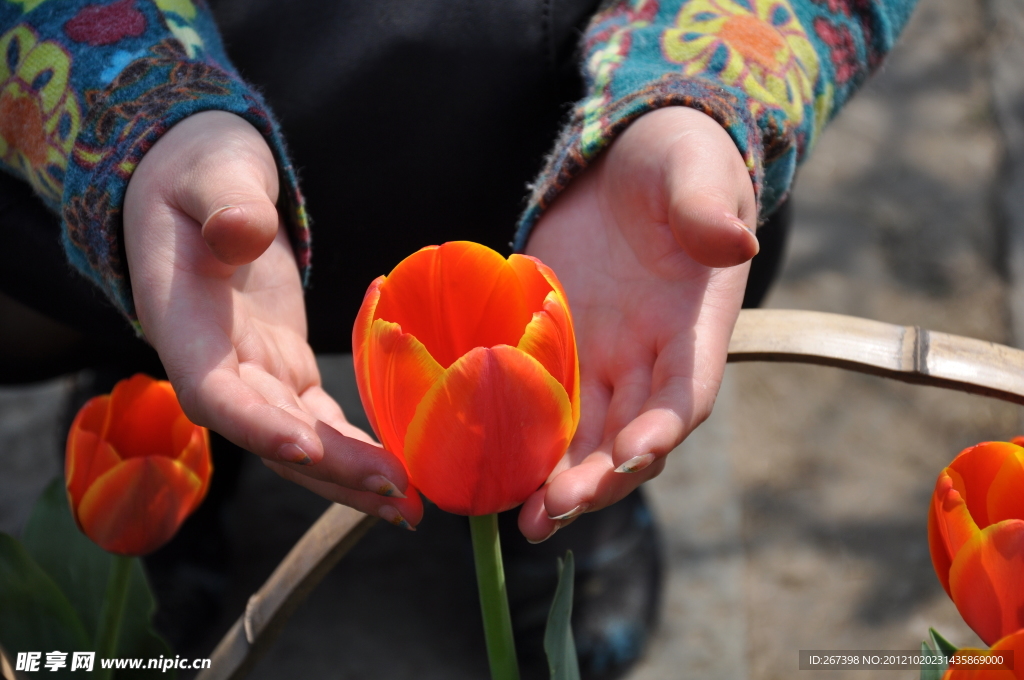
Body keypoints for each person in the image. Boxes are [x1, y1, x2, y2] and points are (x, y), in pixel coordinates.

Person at [0, 0, 917, 675]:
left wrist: (699, 91)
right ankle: (162, 369)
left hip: (562, 132)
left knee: (708, 213)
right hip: (196, 109)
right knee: (106, 240)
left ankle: (557, 458)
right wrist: (139, 111)